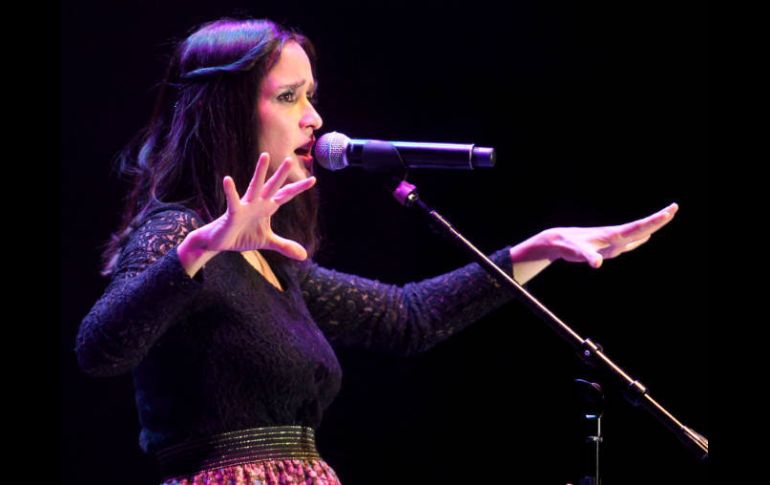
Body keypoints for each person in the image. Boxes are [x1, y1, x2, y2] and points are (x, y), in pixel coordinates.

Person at [75, 17, 679, 485]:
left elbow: (405, 318)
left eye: (312, 95)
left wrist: (537, 248)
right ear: (229, 110)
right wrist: (200, 248)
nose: (314, 118)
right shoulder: (179, 230)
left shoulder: (272, 260)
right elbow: (99, 349)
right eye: (289, 97)